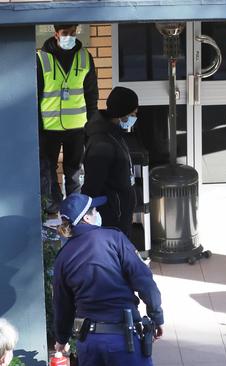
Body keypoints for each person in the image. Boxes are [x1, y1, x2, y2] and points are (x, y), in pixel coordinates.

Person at [53, 193, 163, 366]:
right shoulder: (114, 238)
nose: (97, 213)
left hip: (89, 344)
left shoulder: (63, 257)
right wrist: (156, 316)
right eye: (95, 210)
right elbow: (144, 281)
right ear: (87, 218)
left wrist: (61, 339)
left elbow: (62, 304)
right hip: (124, 341)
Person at [38, 24, 98, 214]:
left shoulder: (84, 57)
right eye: (65, 33)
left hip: (77, 127)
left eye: (73, 33)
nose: (69, 37)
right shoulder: (41, 59)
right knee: (48, 170)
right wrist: (37, 127)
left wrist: (92, 125)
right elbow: (35, 95)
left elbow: (91, 95)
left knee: (73, 171)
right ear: (56, 34)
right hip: (49, 128)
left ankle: (74, 211)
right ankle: (54, 210)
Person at [81, 87, 139, 238]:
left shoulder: (113, 133)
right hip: (112, 217)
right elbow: (92, 185)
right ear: (122, 115)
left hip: (119, 213)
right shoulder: (102, 144)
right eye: (132, 114)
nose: (134, 117)